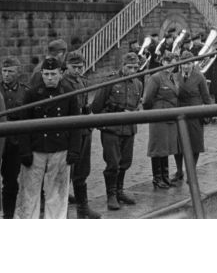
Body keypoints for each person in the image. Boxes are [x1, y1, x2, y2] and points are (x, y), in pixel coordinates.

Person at [14, 57, 81, 219]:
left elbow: (76, 124)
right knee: (28, 192)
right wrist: (25, 151)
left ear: (60, 74)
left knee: (57, 192)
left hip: (60, 148)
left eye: (53, 74)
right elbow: (24, 124)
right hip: (36, 148)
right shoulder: (32, 94)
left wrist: (74, 150)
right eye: (46, 74)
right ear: (41, 74)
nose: (49, 78)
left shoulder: (69, 94)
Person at [91, 52, 143, 211]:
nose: (132, 70)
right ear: (122, 66)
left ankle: (120, 191)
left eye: (135, 67)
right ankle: (111, 194)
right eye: (129, 67)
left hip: (128, 129)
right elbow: (96, 107)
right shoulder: (111, 81)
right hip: (111, 129)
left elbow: (137, 104)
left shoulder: (138, 84)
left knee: (125, 162)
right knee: (112, 163)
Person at [62, 51, 101, 219]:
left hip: (84, 130)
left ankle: (83, 208)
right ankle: (61, 210)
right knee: (65, 173)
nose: (77, 70)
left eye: (80, 67)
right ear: (67, 66)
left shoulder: (83, 81)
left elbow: (84, 104)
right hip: (68, 133)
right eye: (74, 67)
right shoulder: (62, 83)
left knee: (82, 171)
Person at [142, 51, 180, 189]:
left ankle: (165, 176)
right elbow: (147, 100)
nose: (170, 66)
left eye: (173, 63)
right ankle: (157, 178)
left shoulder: (173, 78)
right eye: (168, 62)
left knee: (166, 147)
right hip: (159, 116)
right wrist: (153, 112)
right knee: (157, 147)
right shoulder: (156, 78)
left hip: (170, 117)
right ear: (163, 62)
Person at [173, 50, 211, 180]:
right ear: (180, 64)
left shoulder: (199, 77)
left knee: (195, 144)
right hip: (179, 113)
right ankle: (179, 171)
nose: (186, 66)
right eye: (183, 64)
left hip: (195, 115)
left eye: (188, 64)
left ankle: (191, 171)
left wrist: (207, 115)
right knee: (178, 145)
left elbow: (206, 98)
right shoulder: (175, 77)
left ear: (192, 64)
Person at [0, 57, 28, 218]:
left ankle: (8, 215)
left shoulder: (25, 92)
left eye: (10, 71)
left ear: (18, 72)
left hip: (15, 143)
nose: (6, 74)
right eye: (4, 71)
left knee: (10, 181)